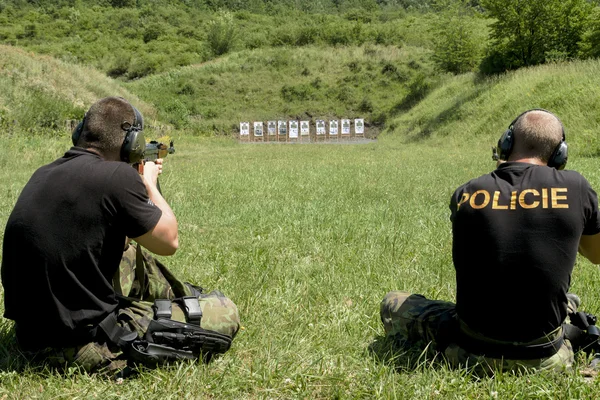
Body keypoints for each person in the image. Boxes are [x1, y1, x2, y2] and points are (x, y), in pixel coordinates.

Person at [1, 97, 240, 374]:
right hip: (80, 347)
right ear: (133, 143)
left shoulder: (43, 173)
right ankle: (192, 304)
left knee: (126, 250)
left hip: (29, 339)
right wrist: (148, 182)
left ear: (80, 132)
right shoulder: (117, 176)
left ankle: (181, 295)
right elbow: (169, 240)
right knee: (227, 312)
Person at [380, 109, 600, 375]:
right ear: (559, 154)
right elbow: (596, 254)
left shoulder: (467, 192)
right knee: (565, 300)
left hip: (470, 352)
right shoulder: (576, 187)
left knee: (392, 302)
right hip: (547, 360)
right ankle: (566, 309)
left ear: (506, 142)